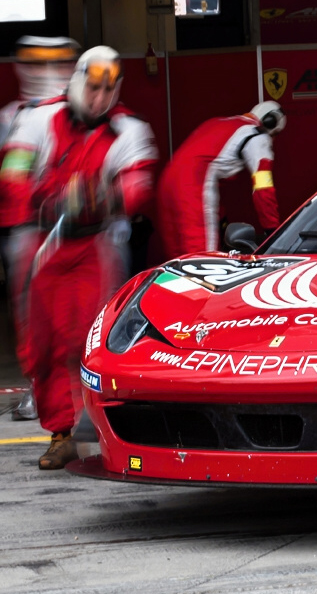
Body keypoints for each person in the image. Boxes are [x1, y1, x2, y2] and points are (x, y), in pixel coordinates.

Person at [0, 46, 158, 470]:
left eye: (108, 90)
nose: (98, 98)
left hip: (94, 246)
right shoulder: (35, 120)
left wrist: (100, 198)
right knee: (44, 345)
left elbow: (139, 186)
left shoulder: (130, 130)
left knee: (92, 341)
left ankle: (100, 430)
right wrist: (48, 203)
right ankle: (62, 433)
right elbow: (13, 176)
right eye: (92, 87)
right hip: (41, 245)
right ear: (78, 81)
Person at [0, 36, 80, 422]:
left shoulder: (89, 112)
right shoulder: (12, 116)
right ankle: (39, 392)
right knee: (35, 321)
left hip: (79, 234)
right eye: (36, 62)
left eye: (55, 62)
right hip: (31, 233)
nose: (45, 71)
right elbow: (11, 179)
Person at [156, 101, 286, 259]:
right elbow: (263, 188)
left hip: (167, 181)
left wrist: (221, 217)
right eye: (275, 134)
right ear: (270, 122)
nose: (272, 140)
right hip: (194, 183)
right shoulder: (257, 135)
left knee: (177, 258)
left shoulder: (218, 122)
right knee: (202, 257)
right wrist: (272, 230)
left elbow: (210, 166)